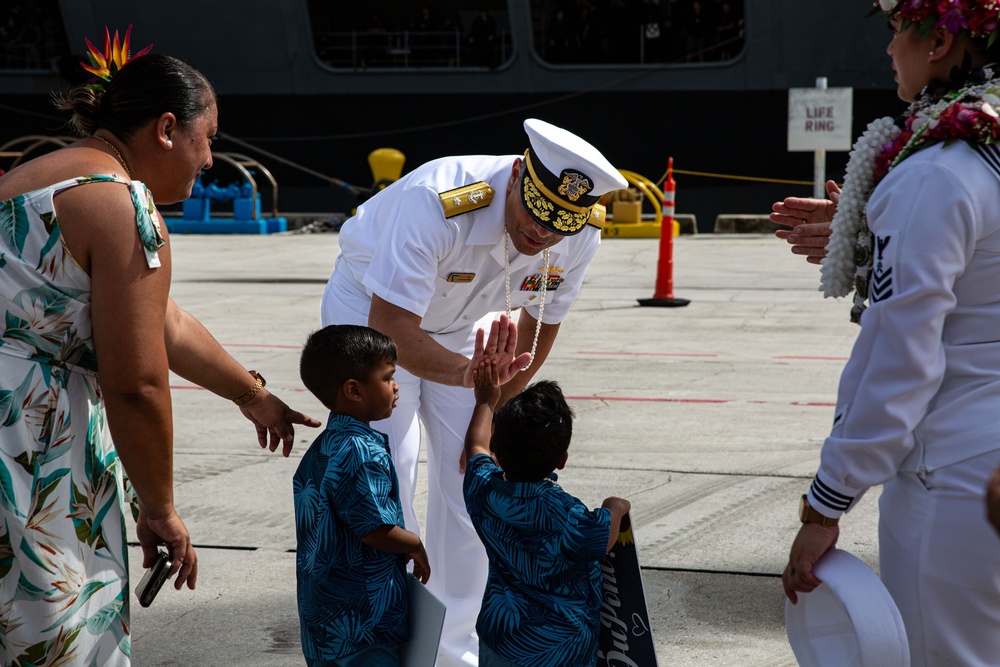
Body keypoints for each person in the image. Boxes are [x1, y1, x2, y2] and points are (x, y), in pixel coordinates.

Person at [0, 27, 319, 666]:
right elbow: (136, 381)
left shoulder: (39, 178)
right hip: (24, 443)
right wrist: (161, 509)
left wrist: (252, 394)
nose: (209, 160)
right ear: (168, 129)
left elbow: (163, 322)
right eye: (209, 139)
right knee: (52, 636)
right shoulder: (122, 205)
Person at [319, 117, 628, 666]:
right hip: (369, 316)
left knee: (471, 482)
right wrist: (472, 380)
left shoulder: (576, 235)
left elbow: (542, 318)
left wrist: (497, 404)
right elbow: (392, 327)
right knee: (386, 469)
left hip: (466, 329)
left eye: (557, 227)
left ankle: (453, 647)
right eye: (534, 216)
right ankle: (391, 637)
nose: (541, 236)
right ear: (516, 178)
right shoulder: (439, 202)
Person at [781, 3, 1000, 664]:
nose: (888, 51)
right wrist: (879, 235)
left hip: (955, 478)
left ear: (937, 40)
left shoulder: (935, 173)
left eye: (894, 31)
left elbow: (897, 364)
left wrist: (825, 506)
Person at [463, 359, 630, 667]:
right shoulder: (564, 513)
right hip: (558, 649)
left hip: (501, 638)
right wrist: (615, 506)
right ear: (562, 458)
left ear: (496, 450)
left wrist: (485, 401)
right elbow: (601, 539)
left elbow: (475, 445)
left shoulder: (482, 490)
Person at [293, 325, 430, 667]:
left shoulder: (325, 446)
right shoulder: (361, 450)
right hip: (362, 621)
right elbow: (376, 530)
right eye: (388, 378)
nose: (396, 386)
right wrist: (414, 544)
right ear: (353, 390)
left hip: (323, 617)